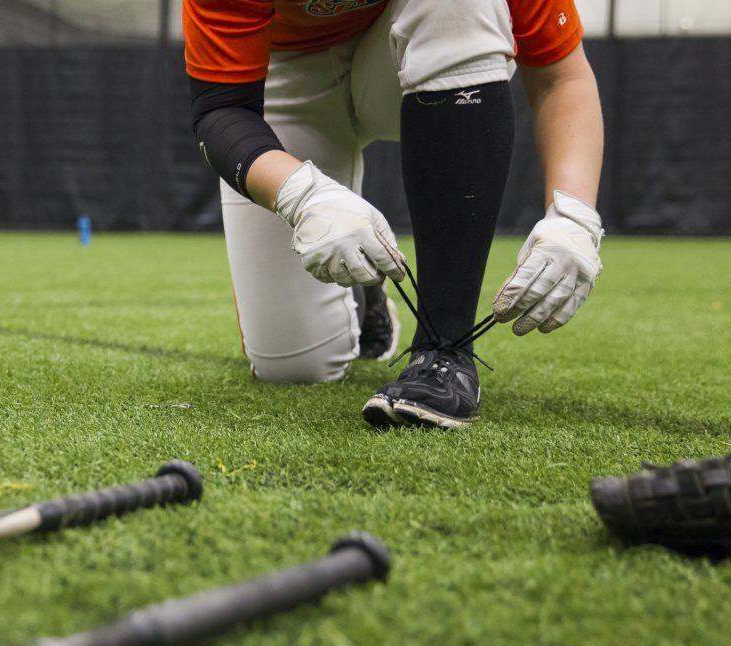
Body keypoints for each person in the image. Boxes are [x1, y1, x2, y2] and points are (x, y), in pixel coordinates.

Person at [184, 0, 605, 429]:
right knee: (294, 365)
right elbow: (223, 108)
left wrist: (574, 217)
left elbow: (561, 76)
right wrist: (302, 196)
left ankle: (444, 350)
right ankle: (364, 297)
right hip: (287, 72)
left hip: (409, 47)